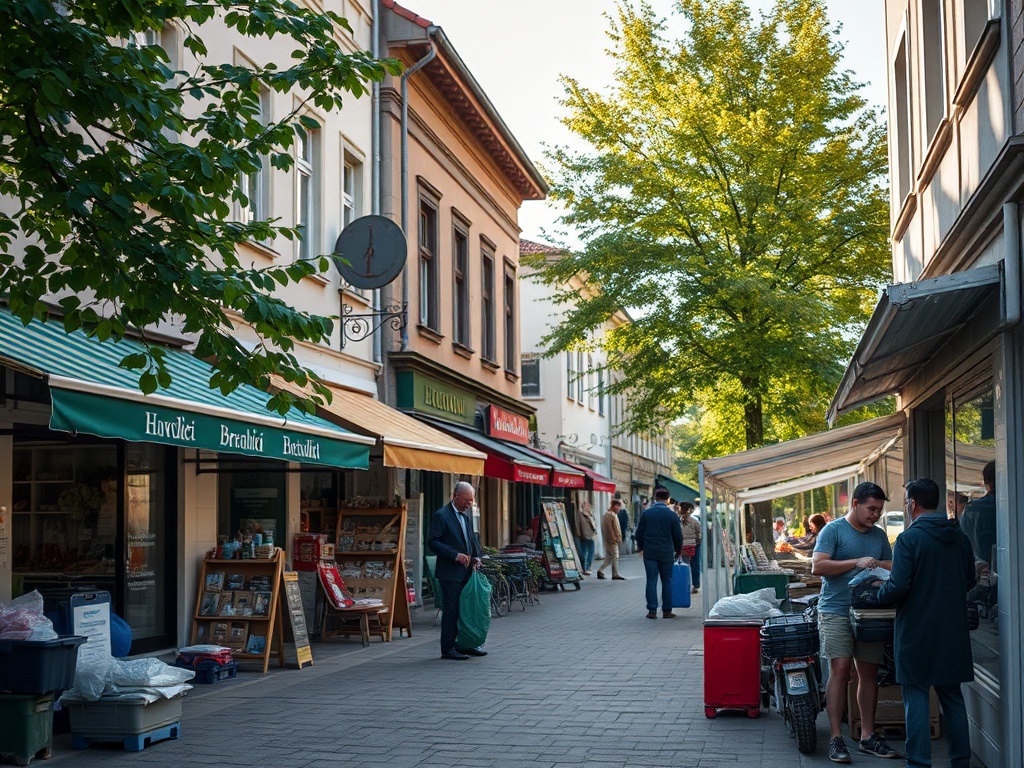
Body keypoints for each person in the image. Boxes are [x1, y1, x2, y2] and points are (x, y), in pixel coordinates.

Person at [875, 479, 974, 768]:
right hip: (952, 630)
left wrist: (878, 591)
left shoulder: (908, 540)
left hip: (916, 631)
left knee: (916, 698)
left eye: (906, 501)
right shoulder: (960, 537)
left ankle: (919, 763)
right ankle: (961, 762)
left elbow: (898, 586)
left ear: (912, 504)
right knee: (952, 698)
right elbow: (969, 579)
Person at [811, 481, 898, 763]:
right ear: (855, 504)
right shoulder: (833, 530)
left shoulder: (880, 535)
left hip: (869, 613)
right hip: (835, 610)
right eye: (871, 509)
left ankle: (867, 736)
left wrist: (878, 566)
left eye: (879, 511)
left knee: (869, 671)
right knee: (840, 669)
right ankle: (836, 738)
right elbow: (818, 566)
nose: (875, 515)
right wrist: (855, 562)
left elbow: (891, 566)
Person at [428, 482, 485, 660]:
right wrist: (455, 555)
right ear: (456, 496)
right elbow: (433, 542)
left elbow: (470, 539)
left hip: (466, 571)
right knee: (452, 610)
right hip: (450, 573)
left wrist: (476, 557)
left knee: (467, 610)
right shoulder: (442, 515)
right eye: (467, 500)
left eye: (471, 501)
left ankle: (465, 644)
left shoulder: (465, 516)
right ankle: (448, 649)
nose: (469, 504)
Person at [634, 487, 683, 619]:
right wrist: (679, 550)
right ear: (668, 500)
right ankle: (667, 611)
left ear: (655, 498)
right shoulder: (672, 515)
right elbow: (678, 536)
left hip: (650, 552)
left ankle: (652, 611)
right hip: (667, 552)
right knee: (667, 581)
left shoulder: (647, 513)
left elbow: (639, 533)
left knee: (651, 580)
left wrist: (642, 547)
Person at [959, 460, 995, 568]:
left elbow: (963, 544)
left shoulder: (972, 509)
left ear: (985, 481)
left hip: (980, 572)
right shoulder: (1015, 507)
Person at [596, 499, 626, 580]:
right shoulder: (610, 515)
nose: (619, 509)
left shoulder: (611, 514)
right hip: (612, 540)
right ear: (615, 506)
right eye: (619, 507)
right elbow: (609, 528)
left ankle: (600, 570)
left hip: (611, 539)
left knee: (609, 558)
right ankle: (615, 574)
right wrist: (614, 538)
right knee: (615, 556)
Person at [677, 501, 701, 593]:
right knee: (695, 565)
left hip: (682, 547)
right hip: (694, 546)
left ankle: (683, 585)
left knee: (683, 566)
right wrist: (697, 543)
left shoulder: (677, 521)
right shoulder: (695, 521)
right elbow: (699, 534)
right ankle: (696, 585)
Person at [575, 499, 597, 575]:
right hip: (584, 536)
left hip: (591, 536)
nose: (590, 506)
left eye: (590, 505)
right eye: (588, 505)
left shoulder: (590, 515)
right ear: (584, 506)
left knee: (591, 552)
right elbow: (578, 525)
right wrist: (579, 534)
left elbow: (594, 525)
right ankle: (584, 568)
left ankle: (587, 567)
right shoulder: (580, 514)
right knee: (584, 553)